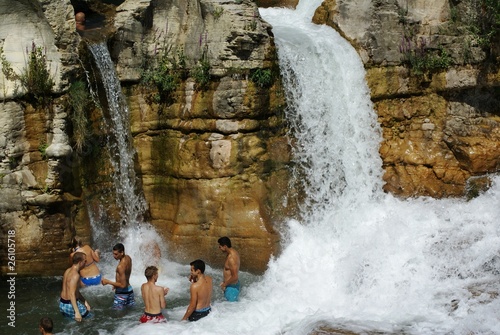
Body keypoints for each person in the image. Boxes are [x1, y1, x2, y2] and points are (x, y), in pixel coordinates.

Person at [101, 243, 135, 309]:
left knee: (117, 316)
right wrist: (115, 284)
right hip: (130, 291)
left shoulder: (120, 267)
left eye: (116, 254)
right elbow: (125, 276)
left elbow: (123, 285)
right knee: (129, 313)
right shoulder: (128, 258)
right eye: (113, 253)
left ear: (122, 252)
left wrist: (108, 282)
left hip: (122, 293)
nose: (114, 256)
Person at [59, 252, 91, 322]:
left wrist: (84, 301)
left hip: (62, 304)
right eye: (85, 261)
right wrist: (77, 312)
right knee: (91, 319)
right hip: (70, 305)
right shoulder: (75, 275)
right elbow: (72, 294)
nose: (86, 262)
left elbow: (73, 290)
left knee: (72, 324)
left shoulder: (67, 271)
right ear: (80, 262)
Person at [218, 236, 241, 301]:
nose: (219, 248)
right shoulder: (233, 252)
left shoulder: (231, 258)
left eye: (220, 246)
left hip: (231, 288)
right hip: (231, 286)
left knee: (231, 308)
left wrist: (224, 284)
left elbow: (235, 277)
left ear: (225, 246)